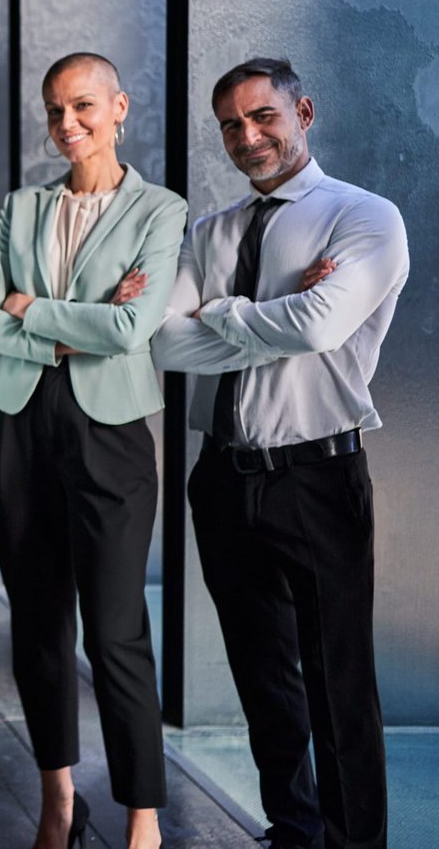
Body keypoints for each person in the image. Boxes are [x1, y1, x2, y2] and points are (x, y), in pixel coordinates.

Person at [151, 58, 407, 849]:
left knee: (338, 682)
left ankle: (352, 841)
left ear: (304, 110)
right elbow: (164, 340)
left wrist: (224, 310)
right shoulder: (211, 231)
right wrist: (275, 312)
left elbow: (321, 327)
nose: (247, 136)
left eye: (263, 117)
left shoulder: (364, 217)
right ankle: (293, 829)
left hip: (318, 472)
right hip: (222, 476)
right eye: (231, 124)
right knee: (262, 673)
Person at [0, 53, 185, 849]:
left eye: (84, 107)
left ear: (119, 106)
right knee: (37, 621)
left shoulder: (160, 210)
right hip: (20, 424)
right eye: (55, 111)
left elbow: (131, 328)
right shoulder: (23, 207)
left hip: (111, 430)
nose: (67, 125)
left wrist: (32, 311)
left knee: (116, 627)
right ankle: (58, 799)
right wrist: (70, 319)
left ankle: (144, 817)